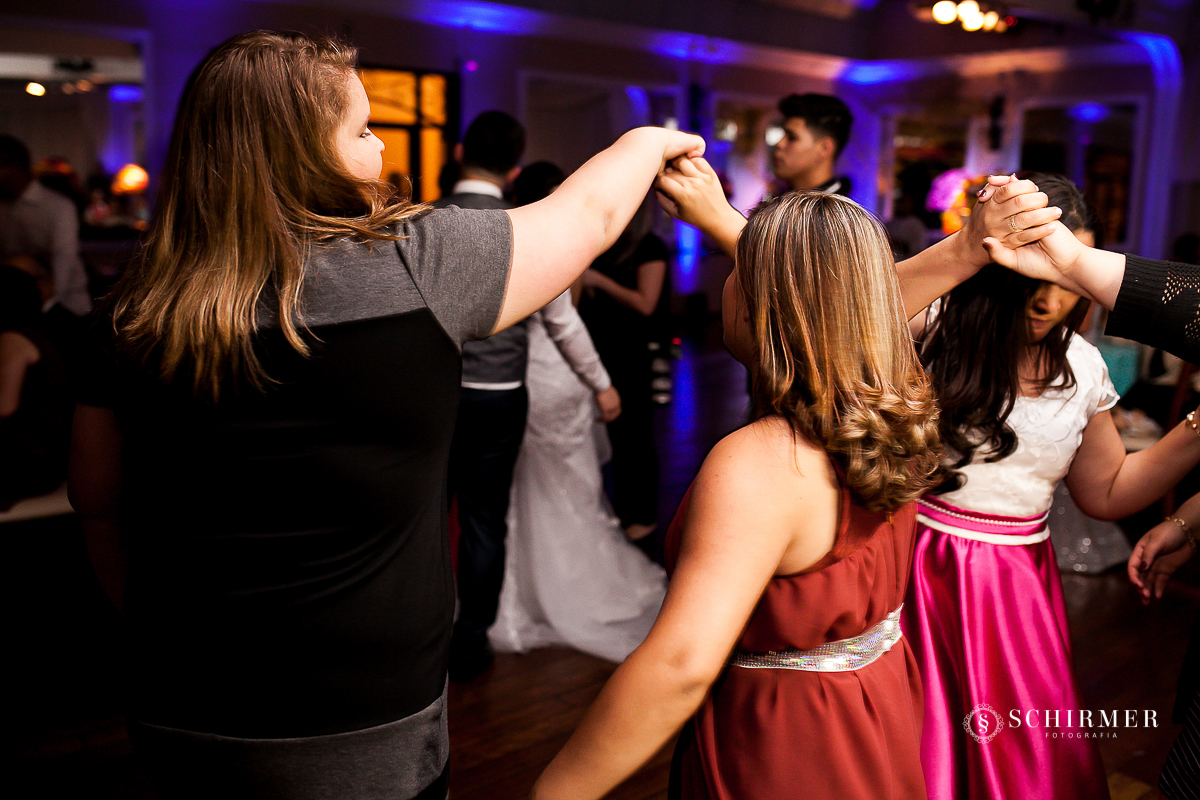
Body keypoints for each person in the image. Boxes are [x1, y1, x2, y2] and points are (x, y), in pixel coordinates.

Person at [67, 30, 704, 800]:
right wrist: (651, 138)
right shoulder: (419, 261)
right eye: (363, 130)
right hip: (364, 714)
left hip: (177, 696)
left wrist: (158, 632)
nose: (380, 150)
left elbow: (98, 503)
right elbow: (592, 217)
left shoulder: (130, 309)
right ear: (308, 153)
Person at [533, 190, 940, 800]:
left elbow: (679, 667)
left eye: (736, 273)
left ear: (758, 306)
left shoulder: (762, 461)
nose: (725, 286)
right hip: (876, 705)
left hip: (786, 739)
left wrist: (556, 792)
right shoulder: (893, 412)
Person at [906, 173, 1200, 800]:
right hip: (917, 566)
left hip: (1016, 586)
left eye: (1067, 277)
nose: (1049, 298)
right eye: (1031, 266)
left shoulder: (1081, 366)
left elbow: (1109, 491)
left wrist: (1199, 426)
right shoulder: (930, 326)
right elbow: (840, 316)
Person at [491, 160, 666, 662]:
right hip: (557, 379)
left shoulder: (507, 237)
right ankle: (576, 590)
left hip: (517, 377)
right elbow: (566, 324)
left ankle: (517, 593)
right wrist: (602, 384)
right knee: (571, 484)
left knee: (525, 487)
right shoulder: (554, 245)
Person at [436, 110, 531, 683]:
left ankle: (422, 633)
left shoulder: (424, 221)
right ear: (515, 167)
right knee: (484, 521)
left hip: (438, 388)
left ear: (459, 149)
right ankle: (472, 641)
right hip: (501, 392)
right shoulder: (524, 224)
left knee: (425, 515)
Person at [985, 214, 1200, 364]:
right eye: (1033, 279)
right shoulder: (958, 349)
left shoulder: (1084, 367)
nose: (1048, 304)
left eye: (1068, 285)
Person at [578, 194, 670, 544]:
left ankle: (643, 515)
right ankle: (622, 509)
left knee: (636, 436)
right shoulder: (608, 246)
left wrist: (598, 282)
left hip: (633, 352)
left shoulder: (650, 247)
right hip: (605, 350)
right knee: (613, 436)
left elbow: (646, 303)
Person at [0, 265, 71, 510]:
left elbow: (4, 408)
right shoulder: (37, 336)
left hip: (28, 459)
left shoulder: (13, 339)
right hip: (48, 456)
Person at [0, 135, 92, 317]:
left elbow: (64, 258)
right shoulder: (3, 204)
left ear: (15, 167)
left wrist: (49, 297)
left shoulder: (58, 206)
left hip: (65, 306)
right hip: (14, 305)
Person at [769, 93, 853, 196]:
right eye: (782, 135)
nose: (779, 143)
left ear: (824, 149)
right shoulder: (777, 198)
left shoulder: (833, 211)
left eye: (792, 137)